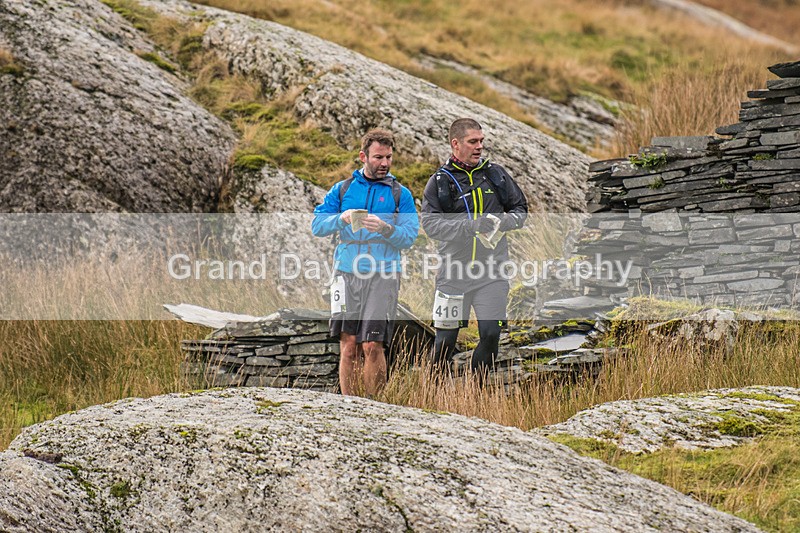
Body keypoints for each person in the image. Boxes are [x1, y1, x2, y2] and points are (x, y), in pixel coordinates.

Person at [311, 128, 419, 396]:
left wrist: (385, 228)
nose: (384, 163)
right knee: (348, 345)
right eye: (378, 157)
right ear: (363, 156)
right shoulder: (343, 189)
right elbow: (317, 225)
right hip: (346, 273)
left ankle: (374, 407)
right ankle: (350, 407)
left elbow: (409, 237)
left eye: (389, 158)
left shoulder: (400, 194)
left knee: (372, 344)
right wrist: (341, 218)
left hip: (384, 274)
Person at [421, 118, 528, 381]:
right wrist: (471, 227)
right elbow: (431, 225)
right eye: (473, 142)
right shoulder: (439, 182)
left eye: (481, 141)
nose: (479, 146)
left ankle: (476, 390)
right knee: (445, 341)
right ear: (455, 144)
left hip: (492, 273)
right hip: (453, 274)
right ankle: (433, 393)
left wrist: (504, 221)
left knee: (491, 334)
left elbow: (520, 211)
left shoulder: (496, 174)